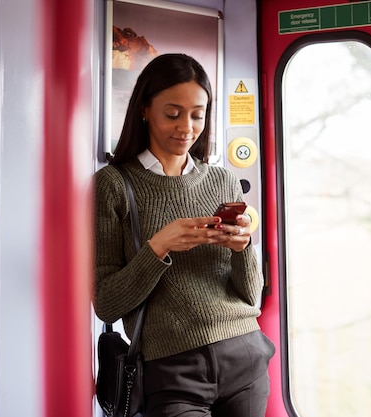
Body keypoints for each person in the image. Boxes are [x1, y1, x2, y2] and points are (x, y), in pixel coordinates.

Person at [93, 53, 274, 417]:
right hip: (172, 370)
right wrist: (159, 246)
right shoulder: (114, 185)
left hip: (245, 356)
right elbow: (106, 304)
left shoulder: (222, 180)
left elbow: (251, 295)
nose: (187, 128)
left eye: (197, 115)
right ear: (145, 109)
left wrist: (243, 248)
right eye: (172, 114)